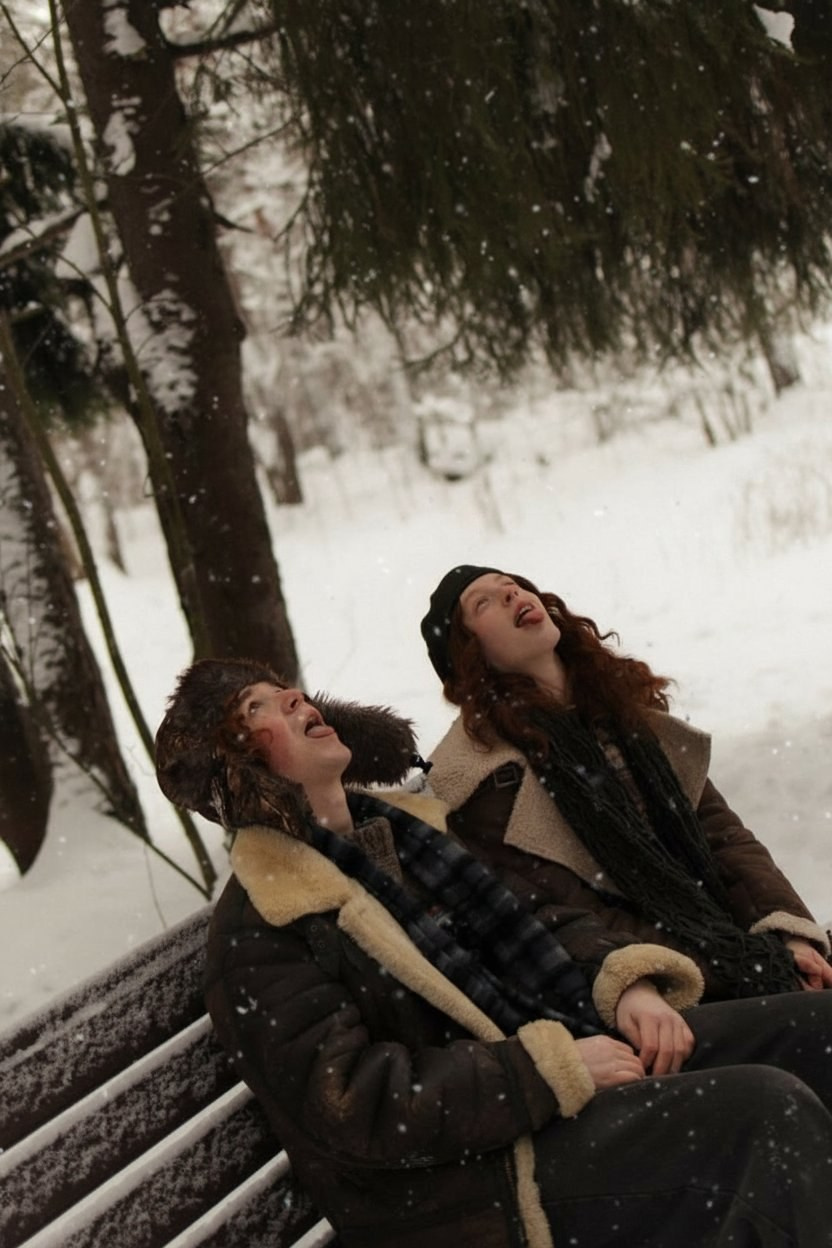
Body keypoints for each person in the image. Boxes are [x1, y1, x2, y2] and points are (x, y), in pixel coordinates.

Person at [155, 657, 832, 1248]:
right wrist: (548, 1070)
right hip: (474, 1190)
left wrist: (624, 987)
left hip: (560, 1068)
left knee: (816, 1031)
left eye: (287, 690)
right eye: (258, 707)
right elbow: (359, 1105)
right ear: (238, 767)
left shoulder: (400, 837)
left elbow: (541, 917)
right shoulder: (263, 925)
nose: (296, 700)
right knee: (762, 1114)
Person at [420, 564, 832, 1028]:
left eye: (512, 586)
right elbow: (576, 912)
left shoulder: (621, 715)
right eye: (484, 603)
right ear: (468, 654)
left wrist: (787, 934)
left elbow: (725, 840)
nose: (512, 595)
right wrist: (742, 966)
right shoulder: (486, 781)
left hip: (735, 952)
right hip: (658, 995)